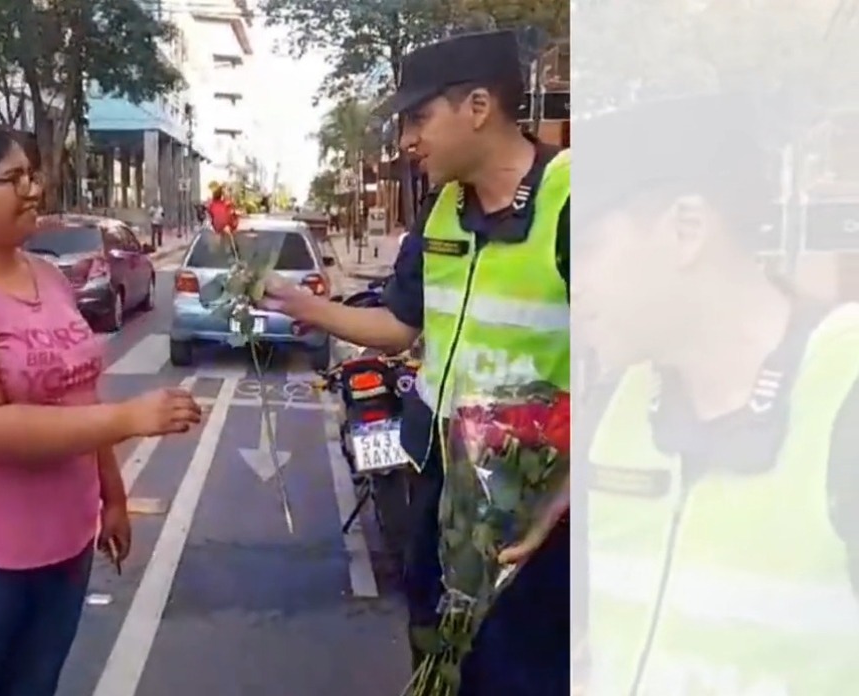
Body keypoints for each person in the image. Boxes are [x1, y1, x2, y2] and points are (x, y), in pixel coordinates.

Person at [261, 30, 570, 694]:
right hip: (437, 483)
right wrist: (305, 307)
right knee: (439, 650)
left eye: (419, 117)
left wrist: (572, 492)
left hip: (536, 509)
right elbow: (400, 326)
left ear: (479, 106)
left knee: (521, 670)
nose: (407, 140)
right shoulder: (440, 215)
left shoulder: (576, 201)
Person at [0, 122, 201, 696]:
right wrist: (131, 420)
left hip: (60, 544)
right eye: (13, 178)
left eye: (33, 174)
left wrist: (113, 496)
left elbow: (77, 391)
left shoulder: (46, 276)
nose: (33, 189)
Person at [581, 95, 859, 694]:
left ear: (687, 229)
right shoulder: (618, 402)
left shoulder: (846, 398)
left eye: (587, 248)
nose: (573, 285)